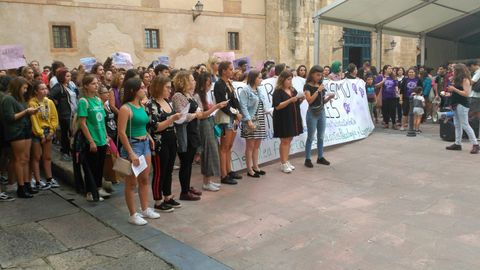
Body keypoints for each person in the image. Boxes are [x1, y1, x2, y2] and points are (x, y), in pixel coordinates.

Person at [118, 77, 160, 225]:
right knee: (131, 183)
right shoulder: (125, 108)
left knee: (144, 179)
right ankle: (132, 214)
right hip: (133, 145)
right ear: (133, 90)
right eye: (141, 87)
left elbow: (143, 125)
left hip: (144, 145)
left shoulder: (141, 106)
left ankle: (145, 208)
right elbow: (121, 133)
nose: (144, 89)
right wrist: (130, 153)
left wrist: (149, 136)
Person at [146, 75, 182, 211]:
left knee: (169, 170)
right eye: (167, 87)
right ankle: (157, 200)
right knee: (160, 171)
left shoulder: (167, 101)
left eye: (170, 87)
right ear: (158, 87)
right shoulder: (151, 104)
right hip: (159, 141)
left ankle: (167, 195)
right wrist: (172, 118)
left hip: (171, 139)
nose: (170, 89)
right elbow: (155, 127)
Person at [1, 77, 38, 198]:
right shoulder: (8, 99)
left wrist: (31, 112)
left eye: (27, 88)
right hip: (16, 132)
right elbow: (10, 117)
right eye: (24, 88)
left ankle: (27, 184)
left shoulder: (20, 99)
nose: (25, 90)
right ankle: (20, 187)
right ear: (17, 87)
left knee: (26, 158)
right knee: (19, 159)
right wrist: (27, 111)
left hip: (26, 129)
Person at [77, 74, 111, 201]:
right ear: (86, 85)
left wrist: (106, 136)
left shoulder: (98, 100)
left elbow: (102, 120)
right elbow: (82, 123)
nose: (96, 85)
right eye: (93, 83)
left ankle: (98, 187)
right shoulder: (83, 101)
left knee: (100, 166)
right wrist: (91, 141)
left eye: (97, 83)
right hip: (92, 140)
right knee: (91, 167)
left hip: (102, 138)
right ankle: (90, 192)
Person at [172, 71, 203, 200]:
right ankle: (184, 192)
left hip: (193, 131)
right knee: (185, 163)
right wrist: (195, 114)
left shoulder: (190, 95)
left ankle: (187, 186)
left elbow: (200, 108)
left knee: (189, 162)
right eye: (191, 80)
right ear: (183, 81)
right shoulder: (178, 96)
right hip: (184, 134)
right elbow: (181, 116)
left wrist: (197, 113)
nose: (194, 81)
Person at [193, 72, 228, 190]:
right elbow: (201, 115)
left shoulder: (206, 94)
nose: (210, 85)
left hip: (210, 122)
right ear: (203, 83)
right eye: (208, 83)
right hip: (204, 124)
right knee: (208, 151)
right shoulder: (198, 96)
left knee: (213, 150)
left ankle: (209, 180)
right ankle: (206, 182)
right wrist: (216, 107)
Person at [214, 61, 243, 184]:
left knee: (229, 146)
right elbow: (222, 103)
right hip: (226, 117)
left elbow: (234, 100)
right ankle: (223, 174)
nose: (232, 71)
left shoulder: (229, 83)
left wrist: (239, 112)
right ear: (224, 70)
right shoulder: (219, 84)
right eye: (230, 69)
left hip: (233, 116)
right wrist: (235, 113)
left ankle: (229, 170)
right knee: (224, 147)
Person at [28, 80, 59, 190]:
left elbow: (54, 117)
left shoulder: (49, 102)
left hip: (48, 131)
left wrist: (51, 131)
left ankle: (49, 178)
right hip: (37, 132)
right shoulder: (32, 103)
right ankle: (37, 180)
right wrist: (41, 134)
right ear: (36, 91)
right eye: (42, 89)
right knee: (36, 156)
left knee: (47, 156)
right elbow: (34, 120)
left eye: (46, 88)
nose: (45, 91)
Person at [303, 65, 335, 168]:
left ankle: (320, 157)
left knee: (321, 136)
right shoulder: (307, 86)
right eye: (317, 75)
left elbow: (322, 101)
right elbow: (310, 101)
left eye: (321, 75)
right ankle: (307, 159)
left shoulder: (321, 84)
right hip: (312, 113)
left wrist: (329, 98)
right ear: (312, 74)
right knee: (310, 137)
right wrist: (318, 90)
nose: (319, 77)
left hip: (321, 112)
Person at [238, 70, 268, 178]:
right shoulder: (245, 90)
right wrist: (249, 120)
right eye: (259, 78)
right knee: (250, 146)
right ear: (253, 78)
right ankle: (249, 169)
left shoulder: (259, 90)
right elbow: (243, 106)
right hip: (251, 120)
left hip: (260, 119)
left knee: (257, 146)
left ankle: (256, 166)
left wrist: (267, 110)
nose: (261, 79)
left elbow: (261, 104)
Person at [273, 70, 304, 173]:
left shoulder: (292, 90)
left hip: (292, 118)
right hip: (282, 119)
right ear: (282, 80)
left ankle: (286, 160)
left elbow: (295, 104)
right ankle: (283, 163)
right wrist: (290, 100)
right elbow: (277, 106)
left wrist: (300, 99)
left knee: (289, 140)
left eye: (291, 79)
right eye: (288, 79)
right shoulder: (278, 91)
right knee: (284, 141)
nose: (290, 81)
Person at [445, 63, 479, 154]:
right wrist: (449, 93)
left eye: (454, 70)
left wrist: (454, 89)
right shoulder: (457, 80)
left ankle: (475, 144)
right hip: (455, 103)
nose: (452, 71)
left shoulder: (465, 79)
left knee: (465, 124)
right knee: (457, 124)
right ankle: (457, 143)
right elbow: (457, 92)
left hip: (462, 104)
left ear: (458, 71)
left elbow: (466, 93)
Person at [49, 68, 77, 161]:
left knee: (70, 133)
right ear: (62, 77)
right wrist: (56, 103)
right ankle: (65, 152)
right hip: (65, 114)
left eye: (70, 76)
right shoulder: (58, 87)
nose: (70, 78)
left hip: (72, 113)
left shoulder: (69, 85)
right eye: (67, 76)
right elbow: (49, 96)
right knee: (66, 134)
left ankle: (67, 151)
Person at [375, 65, 399, 129]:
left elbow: (396, 85)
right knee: (385, 110)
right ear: (385, 70)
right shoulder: (380, 77)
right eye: (389, 68)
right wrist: (383, 81)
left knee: (393, 110)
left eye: (391, 68)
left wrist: (397, 91)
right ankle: (386, 123)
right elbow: (376, 85)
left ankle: (394, 123)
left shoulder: (393, 77)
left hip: (392, 96)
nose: (391, 70)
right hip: (384, 96)